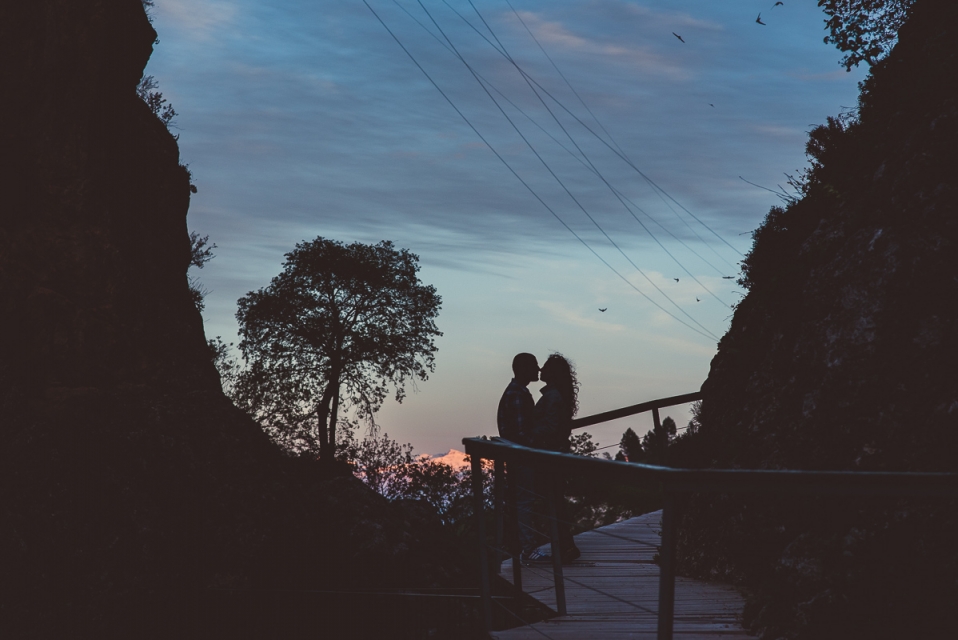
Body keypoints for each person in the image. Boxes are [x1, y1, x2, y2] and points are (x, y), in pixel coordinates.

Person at [526, 352, 581, 564]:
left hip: (549, 457)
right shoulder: (557, 396)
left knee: (554, 502)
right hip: (555, 455)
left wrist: (529, 436)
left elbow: (549, 427)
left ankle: (565, 547)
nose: (541, 369)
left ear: (553, 373)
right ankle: (565, 546)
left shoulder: (552, 397)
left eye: (546, 367)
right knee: (556, 501)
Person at [496, 353, 540, 563]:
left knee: (522, 501)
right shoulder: (518, 395)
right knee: (524, 502)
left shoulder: (515, 392)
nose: (538, 369)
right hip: (522, 458)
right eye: (534, 366)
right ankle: (528, 550)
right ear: (524, 369)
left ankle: (524, 548)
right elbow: (522, 434)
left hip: (517, 457)